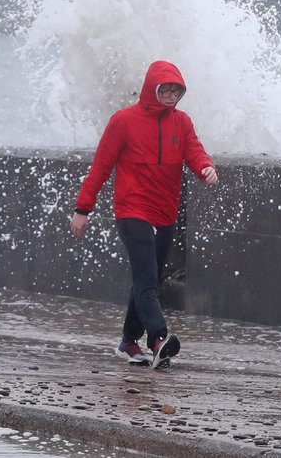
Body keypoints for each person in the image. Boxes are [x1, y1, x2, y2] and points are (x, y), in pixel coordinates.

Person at [70, 60, 218, 369]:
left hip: (165, 213)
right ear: (152, 89)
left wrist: (205, 169)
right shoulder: (123, 121)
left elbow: (194, 151)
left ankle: (127, 342)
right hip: (132, 209)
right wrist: (83, 209)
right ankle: (158, 339)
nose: (171, 95)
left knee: (148, 279)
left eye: (176, 90)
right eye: (165, 89)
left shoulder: (182, 122)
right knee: (148, 279)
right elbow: (101, 166)